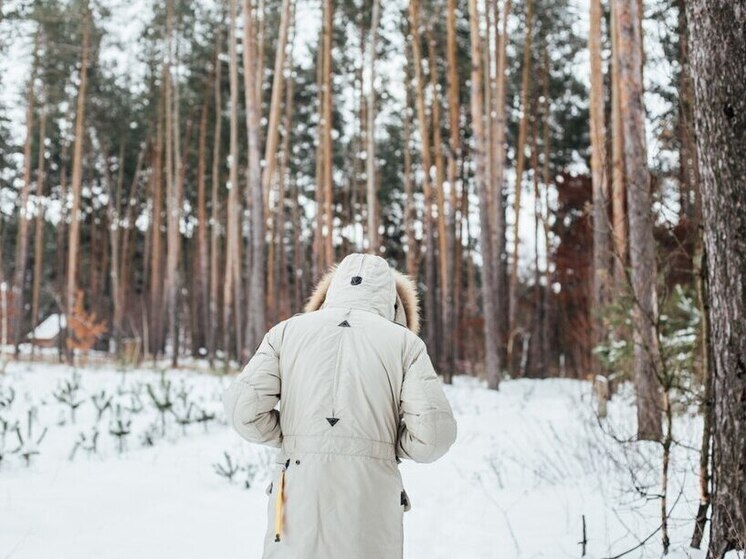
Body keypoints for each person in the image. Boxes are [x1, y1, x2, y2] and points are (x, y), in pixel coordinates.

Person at [223, 253, 457, 559]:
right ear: (395, 302)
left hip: (298, 494)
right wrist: (385, 444)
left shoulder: (286, 332)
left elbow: (244, 409)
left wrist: (295, 438)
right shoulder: (404, 344)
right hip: (369, 499)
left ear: (330, 291)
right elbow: (433, 438)